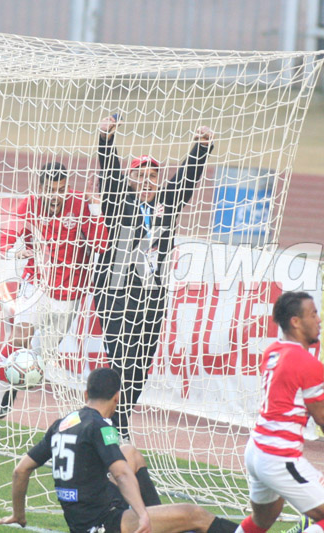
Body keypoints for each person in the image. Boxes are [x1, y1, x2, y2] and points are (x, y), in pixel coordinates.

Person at [0, 367, 237, 533]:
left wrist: (19, 514)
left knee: (129, 452)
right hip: (102, 523)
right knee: (193, 513)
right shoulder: (101, 427)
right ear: (117, 398)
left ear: (86, 394)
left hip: (83, 514)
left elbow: (20, 470)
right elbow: (120, 474)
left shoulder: (62, 423)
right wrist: (143, 515)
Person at [95, 115, 214, 438]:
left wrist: (201, 148)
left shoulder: (167, 203)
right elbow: (108, 177)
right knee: (121, 358)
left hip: (152, 294)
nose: (146, 181)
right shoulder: (118, 202)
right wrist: (106, 140)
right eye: (139, 175)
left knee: (141, 363)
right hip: (116, 290)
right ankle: (111, 423)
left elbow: (186, 180)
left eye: (152, 176)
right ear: (130, 178)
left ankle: (121, 419)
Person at [0, 162, 109, 428]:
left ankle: (10, 391)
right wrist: (11, 250)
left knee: (37, 358)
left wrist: (95, 208)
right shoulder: (30, 203)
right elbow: (7, 233)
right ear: (40, 188)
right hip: (36, 285)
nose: (56, 196)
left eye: (61, 190)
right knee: (18, 340)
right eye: (50, 190)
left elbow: (101, 244)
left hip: (69, 295)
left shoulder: (78, 203)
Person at [236, 291, 324, 533]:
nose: (319, 320)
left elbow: (311, 371)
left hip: (256, 450)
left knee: (262, 521)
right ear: (296, 322)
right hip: (280, 457)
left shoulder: (274, 351)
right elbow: (322, 417)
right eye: (313, 314)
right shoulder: (304, 361)